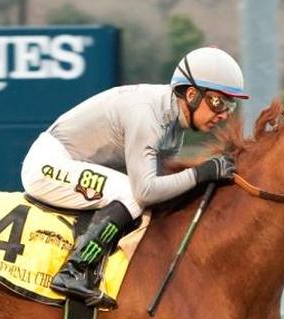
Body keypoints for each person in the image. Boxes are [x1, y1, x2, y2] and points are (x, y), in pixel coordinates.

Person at [21, 46, 249, 305]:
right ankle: (74, 270)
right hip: (48, 164)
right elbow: (146, 191)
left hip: (73, 164)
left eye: (230, 106)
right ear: (192, 94)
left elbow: (164, 190)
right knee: (131, 193)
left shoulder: (174, 131)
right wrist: (201, 173)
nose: (223, 114)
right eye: (219, 102)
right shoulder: (148, 116)